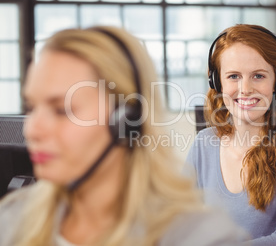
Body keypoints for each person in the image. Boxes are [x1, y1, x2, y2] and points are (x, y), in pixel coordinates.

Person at [0, 26, 248, 246]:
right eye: (31, 107)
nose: (31, 129)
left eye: (61, 110)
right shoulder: (14, 220)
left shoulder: (198, 236)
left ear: (127, 118)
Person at [185, 24, 276, 246]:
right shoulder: (204, 143)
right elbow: (179, 223)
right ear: (217, 83)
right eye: (233, 76)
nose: (245, 88)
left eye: (258, 76)